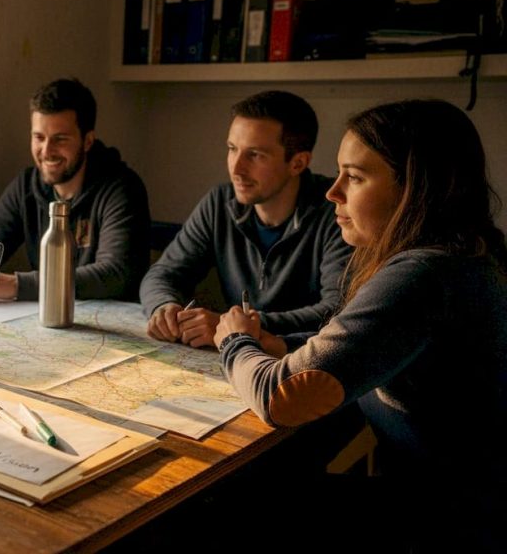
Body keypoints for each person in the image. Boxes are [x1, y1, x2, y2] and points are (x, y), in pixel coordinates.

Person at [213, 99, 507, 551]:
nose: (333, 192)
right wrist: (276, 341)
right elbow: (372, 343)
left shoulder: (424, 275)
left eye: (355, 177)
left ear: (415, 188)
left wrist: (234, 339)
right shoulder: (464, 255)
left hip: (451, 521)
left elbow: (281, 397)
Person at [141, 90, 352, 349]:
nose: (236, 168)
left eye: (255, 155)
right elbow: (163, 274)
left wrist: (232, 326)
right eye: (232, 149)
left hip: (303, 361)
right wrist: (164, 307)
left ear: (298, 163)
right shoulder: (219, 203)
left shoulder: (338, 211)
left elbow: (336, 310)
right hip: (239, 355)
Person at [0, 78, 150, 301]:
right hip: (46, 322)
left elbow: (115, 275)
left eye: (60, 139)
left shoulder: (122, 189)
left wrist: (18, 285)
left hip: (107, 324)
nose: (46, 151)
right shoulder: (25, 187)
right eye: (39, 137)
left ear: (87, 141)